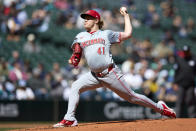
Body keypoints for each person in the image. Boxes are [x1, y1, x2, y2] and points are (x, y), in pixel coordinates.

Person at [53, 7, 176, 127]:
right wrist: (75, 59)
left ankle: (161, 108)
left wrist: (126, 16)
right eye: (84, 18)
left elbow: (128, 34)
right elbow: (77, 52)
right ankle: (69, 118)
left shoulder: (106, 34)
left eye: (88, 18)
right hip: (94, 75)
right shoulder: (81, 36)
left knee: (132, 97)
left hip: (110, 74)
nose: (85, 20)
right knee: (75, 86)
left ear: (96, 20)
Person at [173, 45, 196, 118]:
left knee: (190, 101)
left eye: (187, 52)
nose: (186, 53)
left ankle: (192, 118)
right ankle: (178, 117)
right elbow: (176, 72)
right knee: (179, 101)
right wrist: (175, 83)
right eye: (184, 52)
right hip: (181, 84)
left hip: (191, 84)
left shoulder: (194, 59)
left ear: (189, 51)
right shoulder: (179, 59)